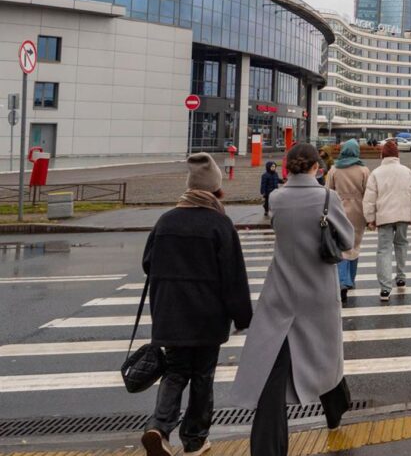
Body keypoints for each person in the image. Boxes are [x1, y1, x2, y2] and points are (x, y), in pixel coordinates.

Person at [231, 143, 353, 456]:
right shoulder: (327, 197)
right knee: (325, 355)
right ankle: (336, 409)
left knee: (273, 372)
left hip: (281, 290)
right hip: (319, 292)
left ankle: (268, 448)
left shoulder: (276, 198)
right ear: (316, 167)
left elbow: (277, 226)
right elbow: (347, 239)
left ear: (288, 167)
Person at [141, 153, 252, 456]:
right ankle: (195, 440)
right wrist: (243, 316)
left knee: (175, 371)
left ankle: (159, 428)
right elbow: (233, 277)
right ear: (216, 189)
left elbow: (148, 263)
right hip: (207, 317)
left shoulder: (166, 221)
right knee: (202, 375)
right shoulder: (219, 224)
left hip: (171, 314)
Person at [363, 140, 411, 301]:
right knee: (402, 244)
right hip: (403, 215)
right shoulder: (406, 171)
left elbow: (369, 199)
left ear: (382, 155)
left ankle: (385, 288)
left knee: (384, 250)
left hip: (384, 216)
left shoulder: (376, 173)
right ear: (397, 155)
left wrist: (370, 218)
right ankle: (401, 277)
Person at [326, 139, 369, 306]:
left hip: (339, 210)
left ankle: (343, 281)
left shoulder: (334, 169)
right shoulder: (364, 170)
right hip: (359, 211)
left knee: (341, 246)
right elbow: (368, 192)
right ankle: (350, 279)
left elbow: (328, 191)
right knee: (355, 245)